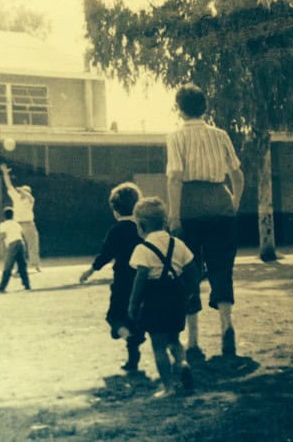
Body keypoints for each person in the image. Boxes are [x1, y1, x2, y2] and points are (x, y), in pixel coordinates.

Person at [167, 83, 245, 357]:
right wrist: (233, 203)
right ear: (205, 107)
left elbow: (175, 176)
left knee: (189, 271)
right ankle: (227, 326)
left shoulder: (176, 137)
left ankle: (194, 341)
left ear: (179, 108)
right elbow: (237, 174)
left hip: (190, 207)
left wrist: (174, 215)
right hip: (220, 204)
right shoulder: (220, 135)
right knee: (222, 268)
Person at [128, 197, 201, 398]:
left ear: (141, 226)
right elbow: (193, 270)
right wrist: (192, 293)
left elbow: (140, 278)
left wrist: (133, 304)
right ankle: (182, 363)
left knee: (158, 345)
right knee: (174, 339)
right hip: (177, 297)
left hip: (155, 299)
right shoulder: (177, 244)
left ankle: (168, 387)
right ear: (164, 222)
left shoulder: (142, 250)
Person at [79, 182, 146, 371]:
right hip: (142, 280)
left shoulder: (115, 230)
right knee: (136, 318)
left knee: (115, 318)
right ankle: (133, 356)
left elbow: (105, 254)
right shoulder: (142, 228)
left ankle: (129, 338)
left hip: (122, 282)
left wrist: (90, 270)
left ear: (115, 210)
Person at [0, 163, 41, 272]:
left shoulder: (30, 200)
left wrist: (22, 190)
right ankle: (19, 267)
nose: (22, 192)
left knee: (33, 245)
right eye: (23, 191)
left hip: (29, 223)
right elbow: (8, 185)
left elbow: (30, 196)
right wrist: (5, 173)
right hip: (17, 224)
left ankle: (35, 265)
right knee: (18, 246)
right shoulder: (16, 197)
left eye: (25, 191)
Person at [0, 207, 30, 293]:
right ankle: (27, 284)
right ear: (13, 215)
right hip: (21, 243)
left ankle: (2, 287)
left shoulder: (3, 225)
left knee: (8, 266)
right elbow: (22, 235)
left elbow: (3, 235)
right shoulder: (16, 224)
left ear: (4, 216)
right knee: (22, 265)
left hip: (13, 244)